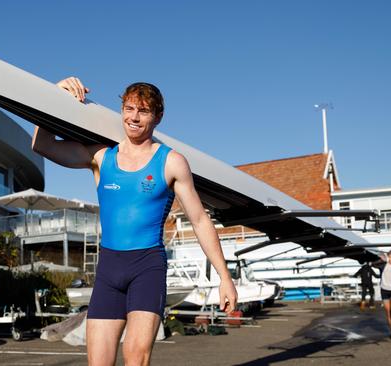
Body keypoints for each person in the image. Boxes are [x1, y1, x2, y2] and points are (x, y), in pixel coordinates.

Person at [32, 77, 238, 366]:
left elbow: (201, 220)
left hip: (147, 267)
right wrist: (55, 93)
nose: (134, 117)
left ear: (158, 117)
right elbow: (41, 145)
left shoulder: (171, 162)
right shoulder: (102, 157)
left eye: (143, 111)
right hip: (109, 269)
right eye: (129, 108)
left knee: (135, 357)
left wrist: (225, 278)